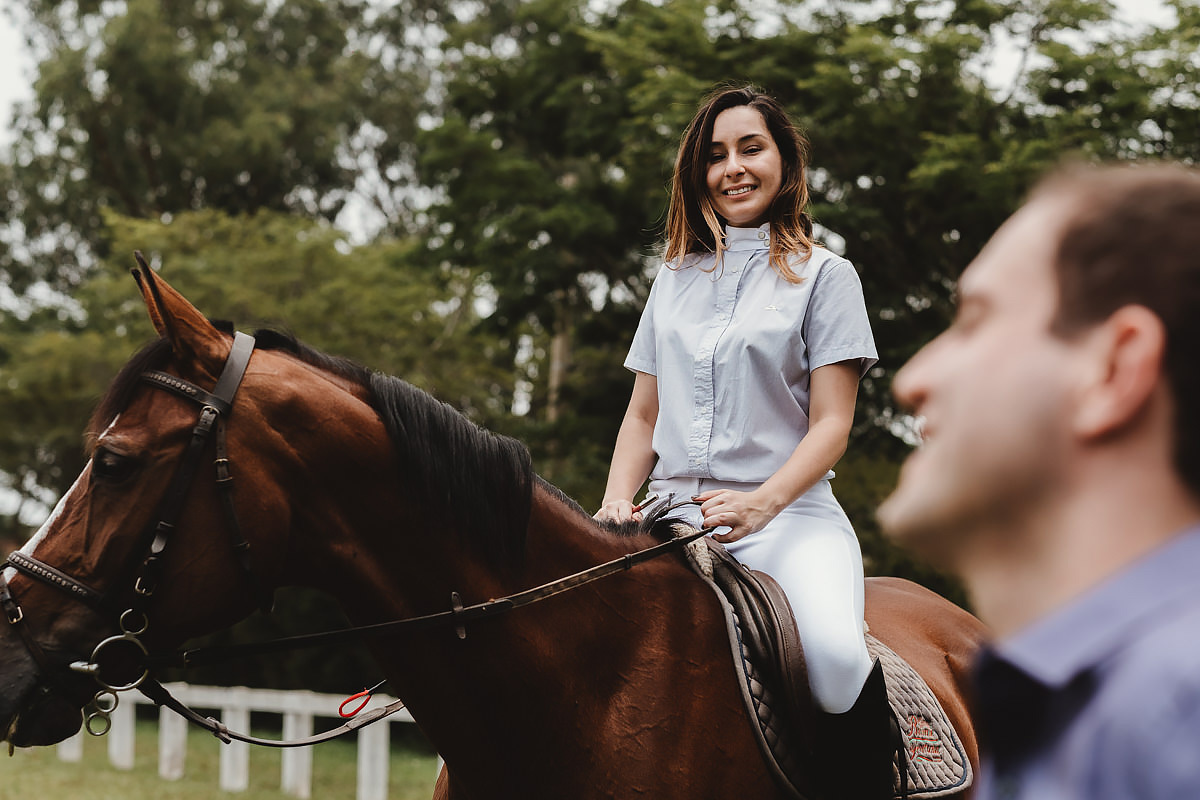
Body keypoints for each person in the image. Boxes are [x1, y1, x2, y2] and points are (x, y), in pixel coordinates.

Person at [594, 85, 891, 797]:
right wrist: (612, 500)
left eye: (751, 149)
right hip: (666, 520)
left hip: (787, 520)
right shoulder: (672, 279)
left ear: (785, 163)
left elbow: (832, 426)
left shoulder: (827, 275)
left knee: (835, 656)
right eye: (716, 156)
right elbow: (642, 417)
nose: (733, 168)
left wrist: (760, 505)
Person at [877, 162, 1200, 799]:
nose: (910, 380)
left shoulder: (1172, 712)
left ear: (1112, 370)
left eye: (973, 320)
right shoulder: (1087, 710)